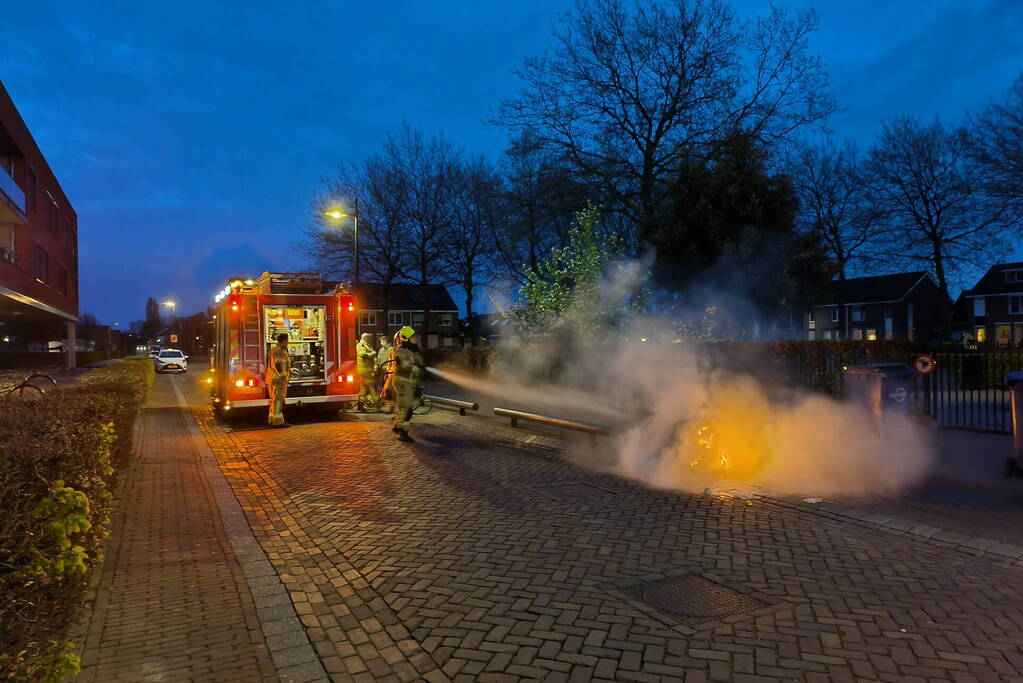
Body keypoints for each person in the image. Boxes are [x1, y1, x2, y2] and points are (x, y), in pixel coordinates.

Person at [391, 325, 423, 442]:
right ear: (406, 338)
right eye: (413, 337)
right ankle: (402, 432)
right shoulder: (400, 349)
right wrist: (413, 367)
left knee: (406, 408)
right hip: (402, 383)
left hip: (408, 383)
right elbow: (402, 363)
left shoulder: (412, 350)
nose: (416, 339)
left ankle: (397, 426)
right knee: (406, 409)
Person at [265, 333, 292, 428]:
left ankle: (272, 419)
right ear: (283, 340)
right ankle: (278, 421)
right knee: (278, 399)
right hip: (278, 379)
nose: (288, 342)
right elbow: (279, 364)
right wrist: (284, 376)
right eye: (287, 340)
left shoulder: (274, 350)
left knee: (274, 399)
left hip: (273, 378)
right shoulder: (279, 351)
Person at [355, 332, 378, 412]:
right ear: (365, 338)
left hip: (368, 371)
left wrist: (375, 368)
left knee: (364, 389)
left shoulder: (368, 346)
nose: (370, 339)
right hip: (364, 370)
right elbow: (362, 354)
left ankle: (361, 405)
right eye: (368, 338)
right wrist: (372, 354)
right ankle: (376, 404)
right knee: (371, 388)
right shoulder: (361, 345)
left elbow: (374, 359)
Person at [376, 336, 394, 410]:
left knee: (389, 388)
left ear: (385, 341)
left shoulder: (392, 350)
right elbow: (378, 360)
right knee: (383, 386)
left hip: (389, 371)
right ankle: (385, 402)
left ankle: (389, 403)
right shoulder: (381, 350)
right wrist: (377, 369)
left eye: (381, 341)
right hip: (382, 371)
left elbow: (392, 362)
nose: (380, 343)